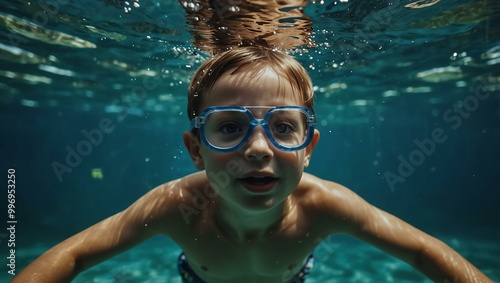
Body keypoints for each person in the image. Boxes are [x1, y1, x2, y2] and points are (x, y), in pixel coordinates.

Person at [12, 46, 492, 283]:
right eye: (228, 127)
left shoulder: (326, 205)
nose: (259, 149)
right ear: (195, 149)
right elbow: (72, 255)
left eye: (284, 127)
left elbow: (425, 253)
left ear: (309, 147)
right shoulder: (174, 205)